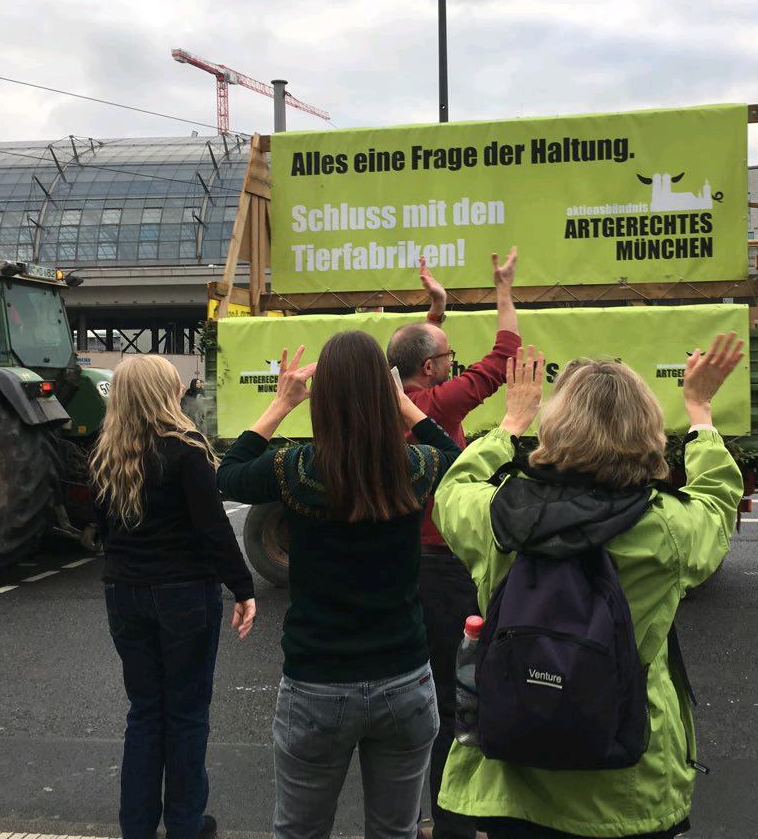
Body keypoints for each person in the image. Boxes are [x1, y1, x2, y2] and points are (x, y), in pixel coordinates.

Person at [433, 335, 745, 839]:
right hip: (629, 785)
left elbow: (452, 490)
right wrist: (701, 412)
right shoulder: (667, 528)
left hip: (514, 783)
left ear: (554, 428)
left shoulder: (498, 517)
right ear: (646, 432)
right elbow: (716, 499)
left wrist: (510, 423)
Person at [217, 332, 461, 839]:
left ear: (322, 397)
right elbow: (454, 456)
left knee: (300, 830)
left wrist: (281, 404)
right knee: (396, 830)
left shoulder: (295, 469)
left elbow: (229, 474)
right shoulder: (413, 467)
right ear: (384, 391)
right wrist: (404, 405)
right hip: (404, 679)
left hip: (317, 681)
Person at [90, 354, 257, 839]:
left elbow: (103, 530)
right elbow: (213, 527)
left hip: (123, 591)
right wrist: (243, 587)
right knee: (186, 714)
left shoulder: (104, 453)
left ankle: (136, 828)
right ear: (164, 393)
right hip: (183, 591)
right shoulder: (185, 448)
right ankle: (185, 825)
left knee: (145, 712)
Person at [385, 249, 519, 839]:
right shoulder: (437, 405)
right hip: (443, 564)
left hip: (406, 559)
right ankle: (452, 820)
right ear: (432, 370)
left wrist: (436, 311)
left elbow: (410, 356)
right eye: (447, 357)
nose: (453, 362)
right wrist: (503, 288)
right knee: (453, 695)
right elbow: (505, 355)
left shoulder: (394, 400)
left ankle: (419, 815)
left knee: (423, 687)